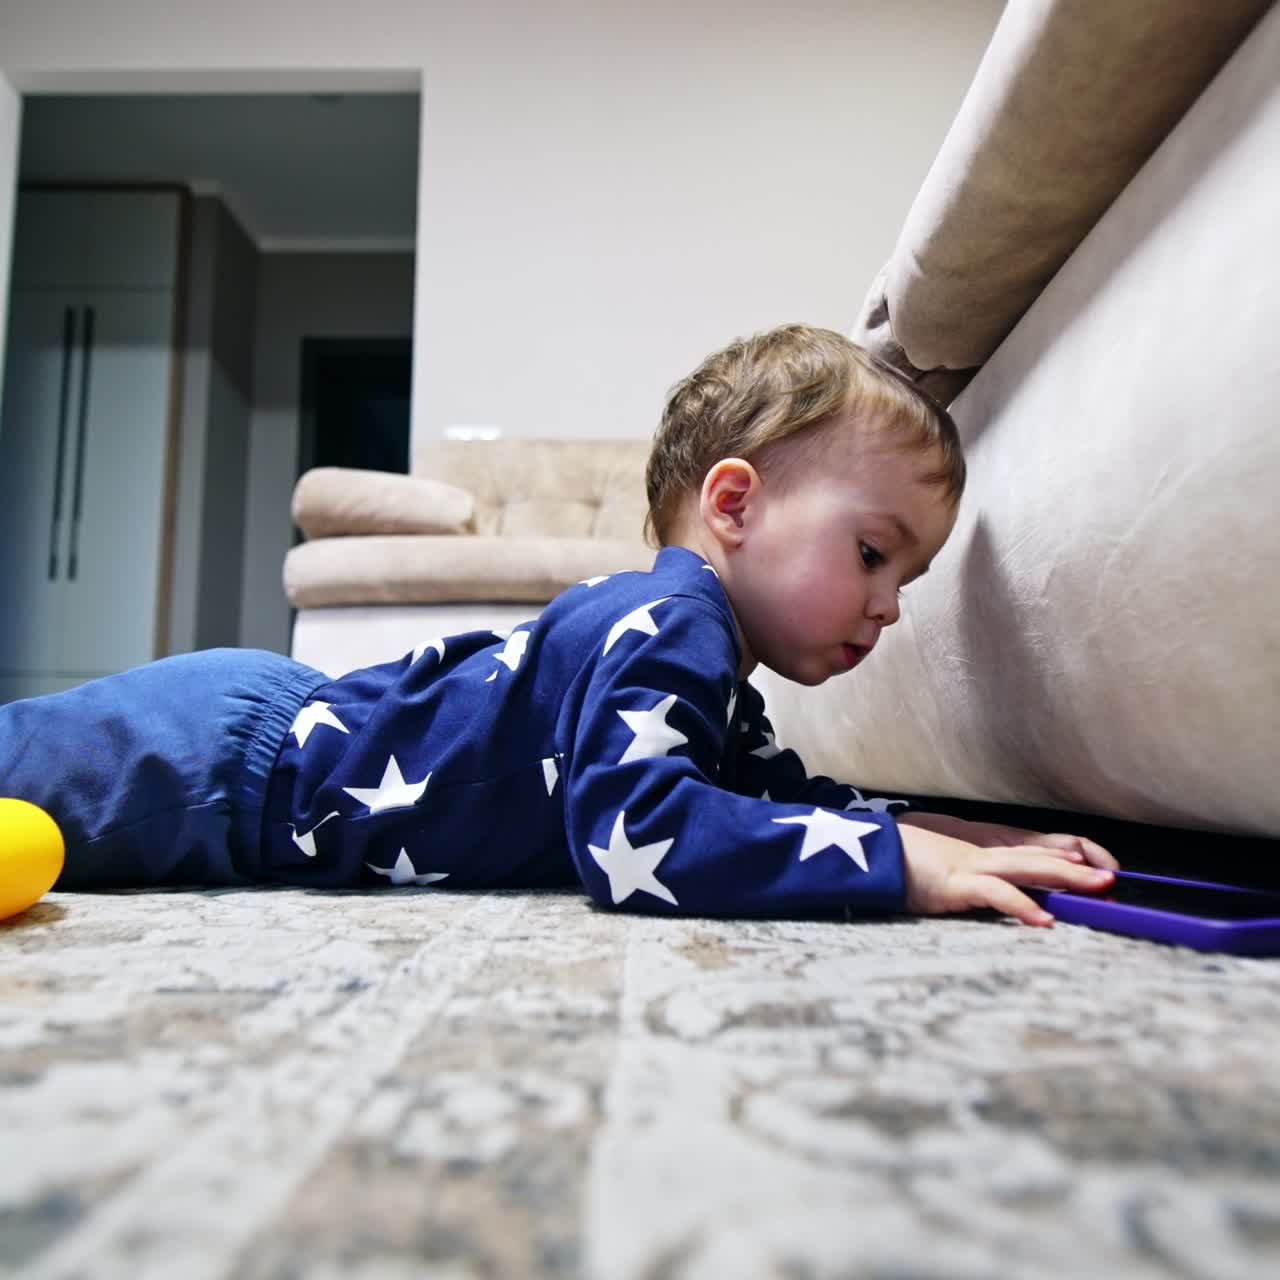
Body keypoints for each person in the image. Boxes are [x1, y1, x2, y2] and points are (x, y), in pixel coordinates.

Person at [0, 323, 1117, 924]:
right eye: (871, 553)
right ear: (732, 505)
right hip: (226, 759)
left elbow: (767, 798)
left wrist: (941, 829)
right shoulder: (671, 619)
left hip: (246, 766)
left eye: (904, 578)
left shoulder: (712, 669)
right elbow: (639, 835)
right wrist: (891, 865)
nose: (885, 603)